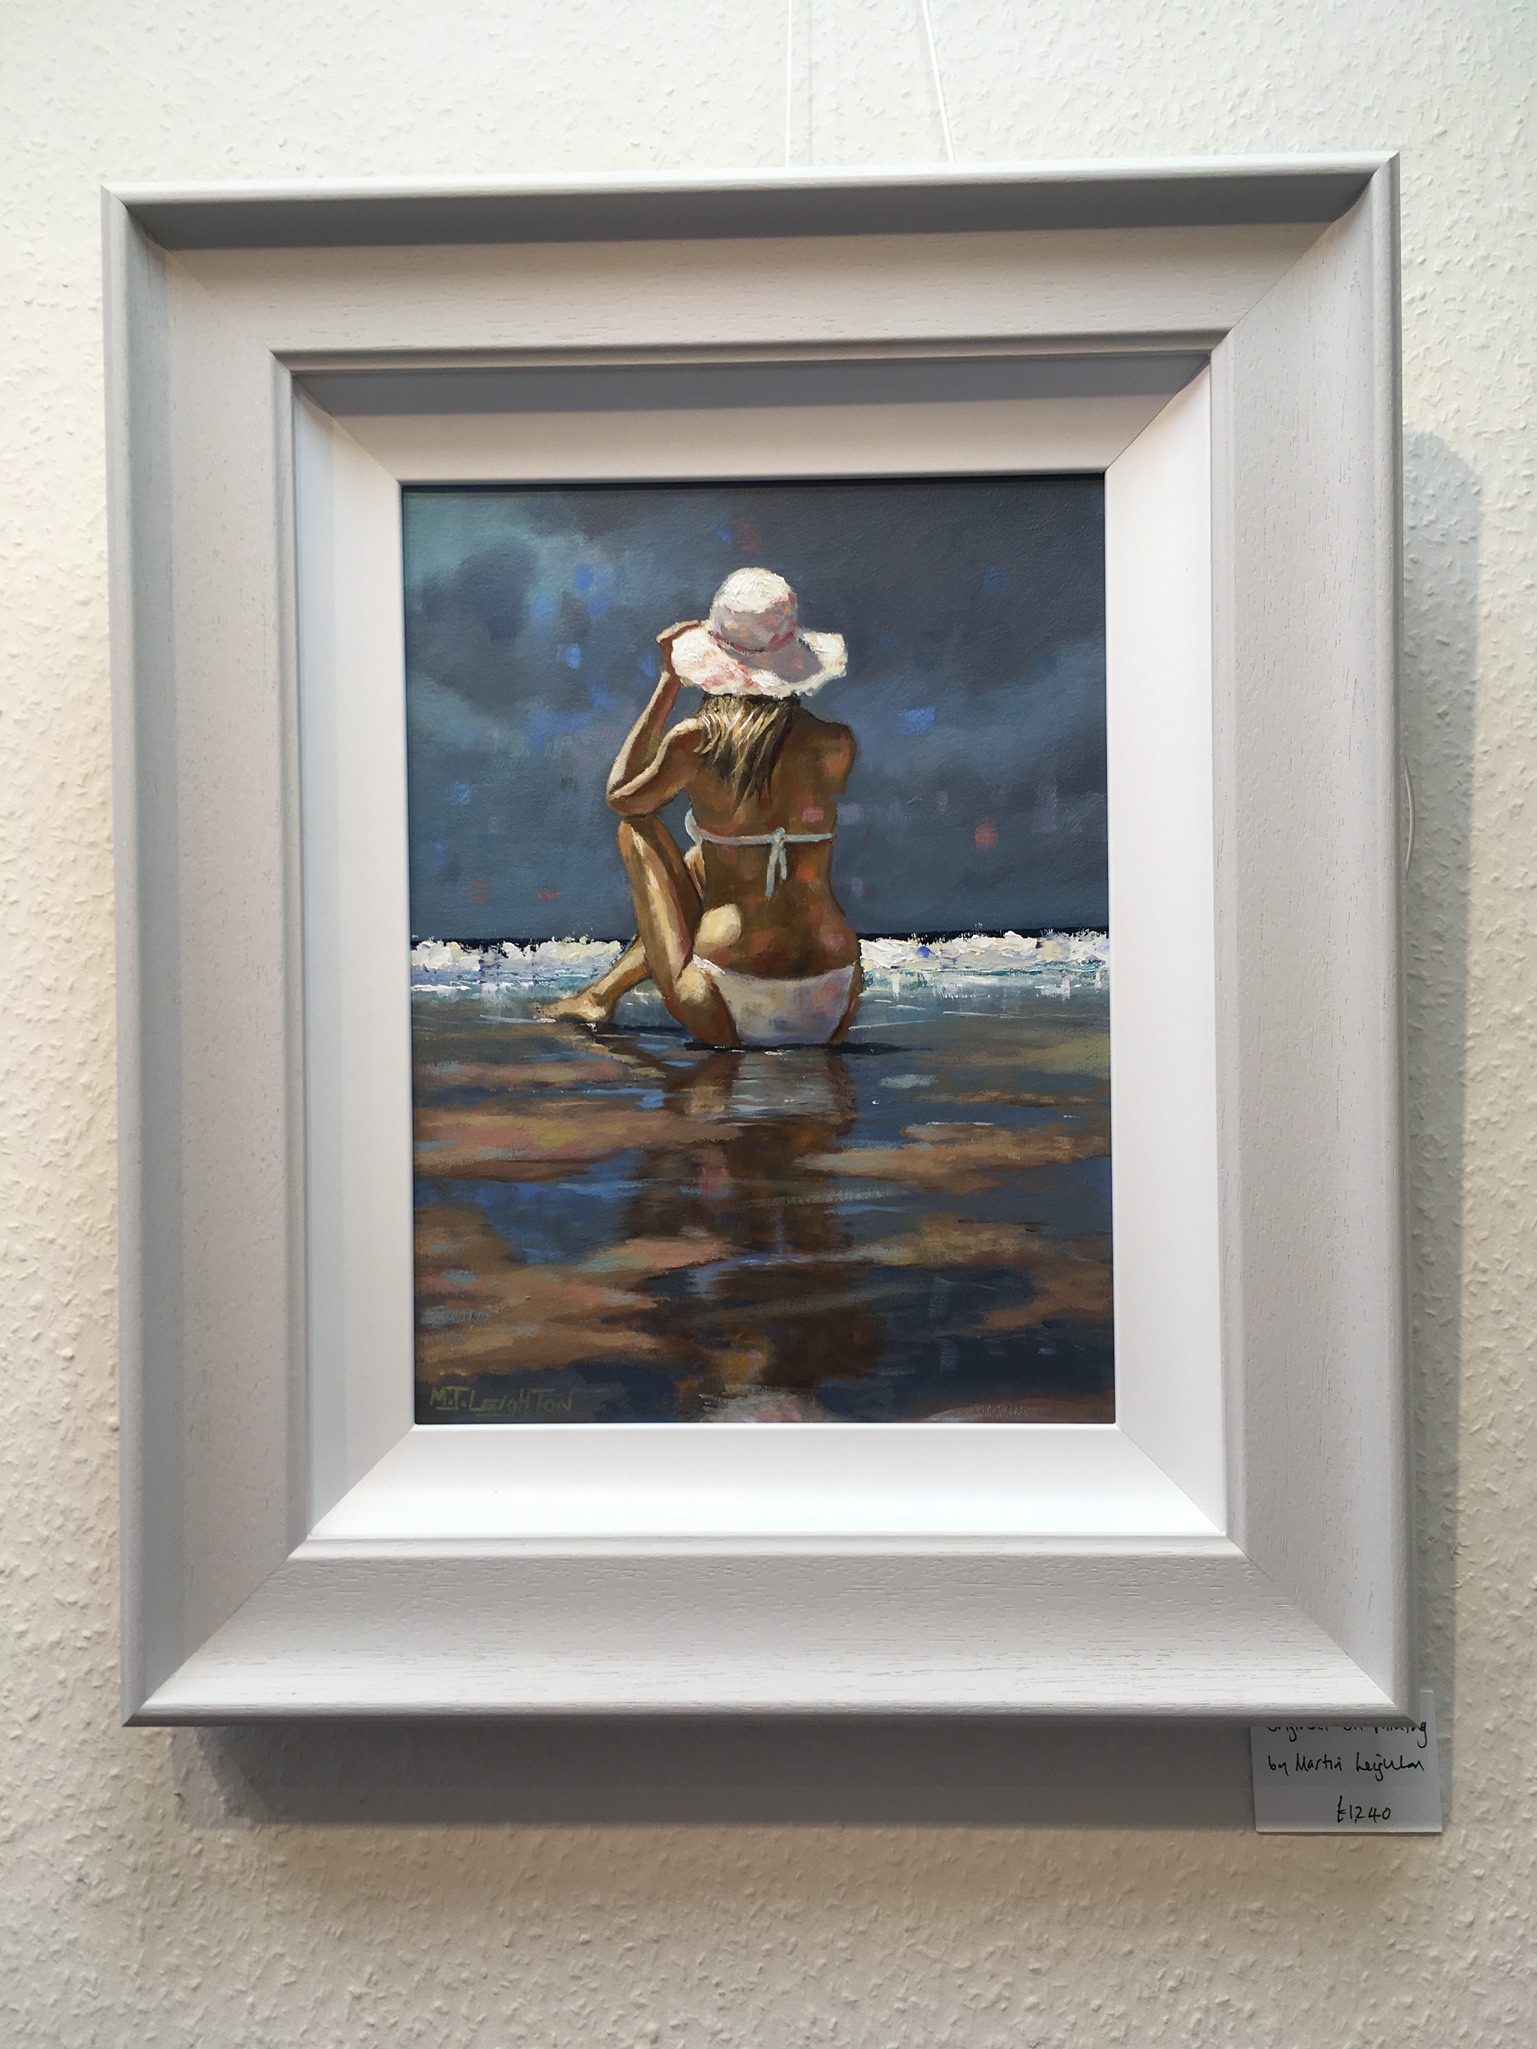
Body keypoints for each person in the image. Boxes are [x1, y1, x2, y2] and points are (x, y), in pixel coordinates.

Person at [543, 567, 863, 1047]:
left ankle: (599, 997)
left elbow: (622, 795)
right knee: (701, 862)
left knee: (637, 830)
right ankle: (601, 993)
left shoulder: (697, 741)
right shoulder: (836, 744)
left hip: (727, 998)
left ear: (714, 664)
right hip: (831, 999)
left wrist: (669, 682)